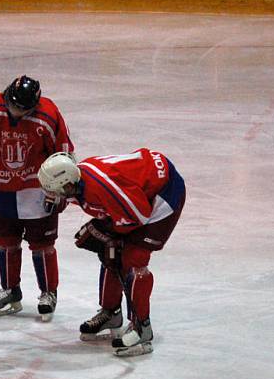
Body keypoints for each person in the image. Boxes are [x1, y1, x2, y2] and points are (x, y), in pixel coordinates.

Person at [38, 149, 186, 356]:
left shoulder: (102, 188)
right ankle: (111, 313)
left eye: (57, 191)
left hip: (164, 194)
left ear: (68, 184)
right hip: (139, 192)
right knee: (111, 249)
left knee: (134, 259)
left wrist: (107, 229)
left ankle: (142, 327)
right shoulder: (76, 181)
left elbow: (138, 216)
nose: (55, 196)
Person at [0, 75, 74, 320]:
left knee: (42, 245)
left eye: (23, 108)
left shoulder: (48, 116)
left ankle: (48, 293)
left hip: (40, 191)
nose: (17, 111)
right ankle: (10, 290)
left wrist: (61, 191)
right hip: (3, 187)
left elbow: (64, 155)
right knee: (5, 240)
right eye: (14, 105)